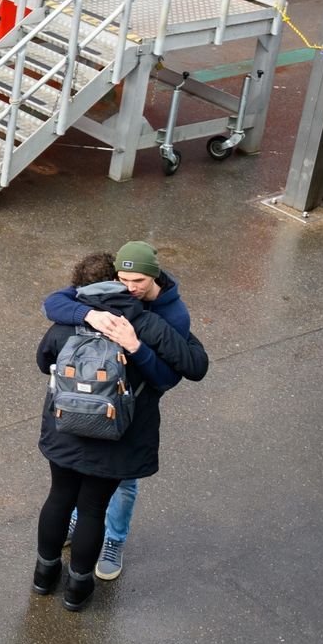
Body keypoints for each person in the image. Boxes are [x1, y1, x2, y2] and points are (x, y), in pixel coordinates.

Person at [32, 241, 207, 610]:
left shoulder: (73, 318)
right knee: (93, 507)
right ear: (114, 280)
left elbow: (42, 359)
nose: (130, 287)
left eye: (137, 279)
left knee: (60, 497)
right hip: (118, 433)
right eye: (124, 280)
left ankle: (44, 577)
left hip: (66, 425)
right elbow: (182, 371)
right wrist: (135, 346)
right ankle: (78, 591)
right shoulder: (146, 322)